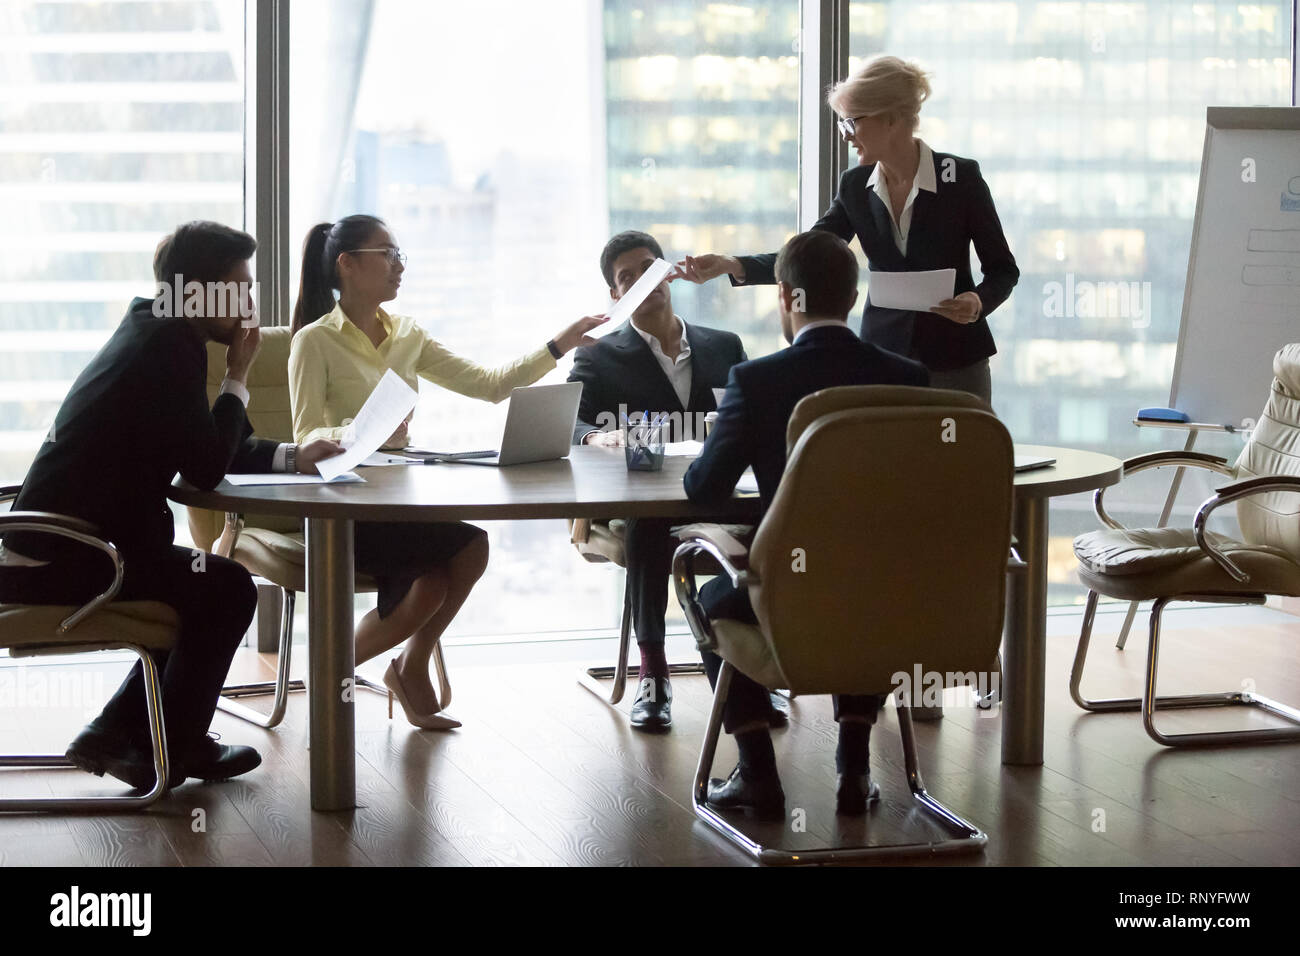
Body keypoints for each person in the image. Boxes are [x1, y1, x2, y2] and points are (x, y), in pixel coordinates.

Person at [0, 221, 342, 791]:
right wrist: (237, 373)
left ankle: (117, 733)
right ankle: (171, 750)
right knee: (226, 587)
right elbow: (206, 467)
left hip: (57, 543)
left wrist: (292, 455)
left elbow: (207, 445)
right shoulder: (167, 347)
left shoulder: (156, 330)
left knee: (202, 583)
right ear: (204, 290)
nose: (251, 303)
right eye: (243, 287)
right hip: (65, 555)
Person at [288, 215, 604, 729]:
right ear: (347, 264)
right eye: (387, 254)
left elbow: (490, 385)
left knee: (470, 548)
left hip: (399, 496)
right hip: (342, 504)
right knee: (431, 584)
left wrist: (559, 345)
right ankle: (329, 680)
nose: (399, 266)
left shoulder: (407, 334)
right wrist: (365, 432)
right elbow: (306, 436)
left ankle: (408, 667)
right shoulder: (314, 341)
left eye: (399, 256)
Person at [681, 230, 929, 820]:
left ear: (789, 297)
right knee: (862, 582)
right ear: (851, 295)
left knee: (707, 593)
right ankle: (854, 767)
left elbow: (704, 489)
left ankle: (759, 776)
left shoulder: (757, 381)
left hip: (792, 596)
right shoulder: (909, 378)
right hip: (894, 596)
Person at [674, 55, 1017, 406]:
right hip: (884, 360)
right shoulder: (855, 186)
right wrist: (733, 264)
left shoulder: (960, 178)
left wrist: (977, 301)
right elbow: (808, 254)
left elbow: (1003, 270)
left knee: (959, 459)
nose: (846, 137)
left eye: (851, 124)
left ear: (891, 119)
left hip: (957, 361)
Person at [568, 230, 789, 733]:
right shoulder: (598, 357)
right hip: (643, 499)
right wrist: (601, 439)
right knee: (650, 527)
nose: (644, 282)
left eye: (651, 268)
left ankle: (753, 675)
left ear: (667, 274)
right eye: (629, 277)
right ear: (616, 294)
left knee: (770, 520)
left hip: (718, 492)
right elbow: (570, 424)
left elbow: (759, 418)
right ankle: (653, 672)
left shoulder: (723, 345)